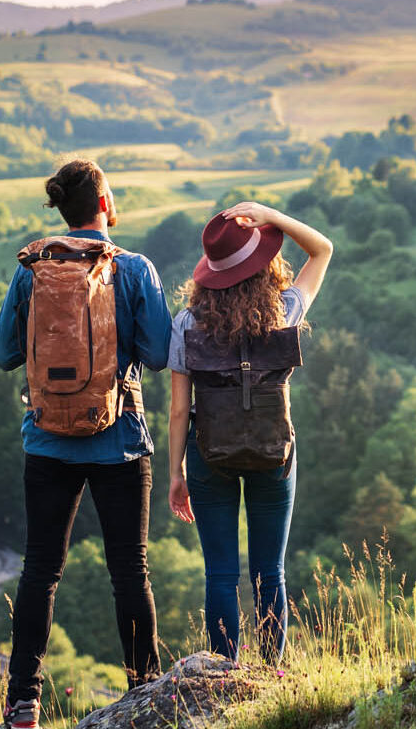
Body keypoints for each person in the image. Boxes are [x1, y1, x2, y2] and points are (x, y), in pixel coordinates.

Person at [0, 159, 172, 729]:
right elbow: (162, 355)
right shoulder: (134, 269)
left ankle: (24, 702)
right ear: (105, 203)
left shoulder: (31, 271)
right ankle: (143, 690)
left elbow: (2, 354)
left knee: (40, 570)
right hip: (120, 438)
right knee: (130, 569)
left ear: (63, 210)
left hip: (47, 441)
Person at [166, 201, 333, 663]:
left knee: (220, 574)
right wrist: (272, 216)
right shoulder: (285, 310)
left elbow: (180, 410)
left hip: (207, 455)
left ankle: (223, 674)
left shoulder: (187, 324)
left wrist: (175, 474)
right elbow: (322, 250)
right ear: (263, 267)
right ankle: (273, 671)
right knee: (269, 572)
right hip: (273, 454)